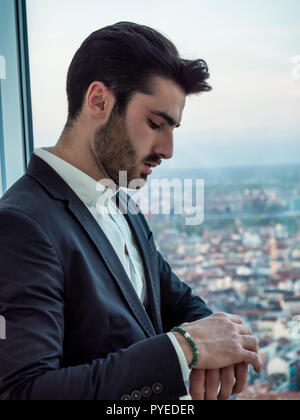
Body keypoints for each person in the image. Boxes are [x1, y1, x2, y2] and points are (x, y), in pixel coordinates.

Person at [0, 22, 262, 401]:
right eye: (156, 123)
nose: (168, 148)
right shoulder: (20, 225)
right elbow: (25, 392)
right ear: (99, 101)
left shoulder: (122, 203)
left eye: (173, 129)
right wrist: (186, 349)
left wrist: (221, 334)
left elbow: (174, 299)